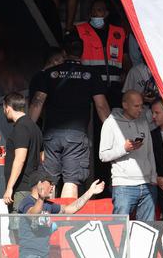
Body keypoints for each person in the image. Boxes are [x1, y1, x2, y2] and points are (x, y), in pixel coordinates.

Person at [29, 36, 111, 199]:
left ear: (64, 52)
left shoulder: (50, 74)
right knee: (71, 180)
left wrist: (28, 128)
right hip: (76, 135)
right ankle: (65, 223)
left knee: (47, 180)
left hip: (51, 135)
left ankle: (43, 220)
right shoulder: (91, 74)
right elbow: (101, 106)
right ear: (83, 52)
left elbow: (37, 102)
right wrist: (112, 131)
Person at [17, 175, 105, 258]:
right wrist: (40, 199)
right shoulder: (27, 202)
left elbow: (70, 209)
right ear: (39, 183)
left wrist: (89, 193)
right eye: (50, 183)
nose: (52, 186)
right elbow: (32, 214)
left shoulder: (49, 205)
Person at [98, 90, 158, 222]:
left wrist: (153, 177)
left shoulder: (143, 122)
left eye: (141, 105)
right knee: (120, 228)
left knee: (147, 229)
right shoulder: (111, 123)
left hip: (147, 184)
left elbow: (150, 151)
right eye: (136, 106)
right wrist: (124, 149)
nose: (140, 109)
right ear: (125, 105)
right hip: (124, 185)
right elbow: (103, 155)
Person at [75, 0, 128, 108]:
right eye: (93, 10)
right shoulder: (79, 30)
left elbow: (125, 57)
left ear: (106, 13)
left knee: (112, 119)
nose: (95, 13)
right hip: (90, 83)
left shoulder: (119, 32)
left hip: (114, 85)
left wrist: (126, 72)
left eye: (99, 10)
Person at [1, 92, 44, 213]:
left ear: (8, 108)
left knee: (18, 228)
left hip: (21, 189)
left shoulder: (21, 128)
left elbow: (20, 158)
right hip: (33, 188)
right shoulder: (35, 128)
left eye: (4, 109)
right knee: (30, 228)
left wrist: (9, 188)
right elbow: (42, 158)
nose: (4, 112)